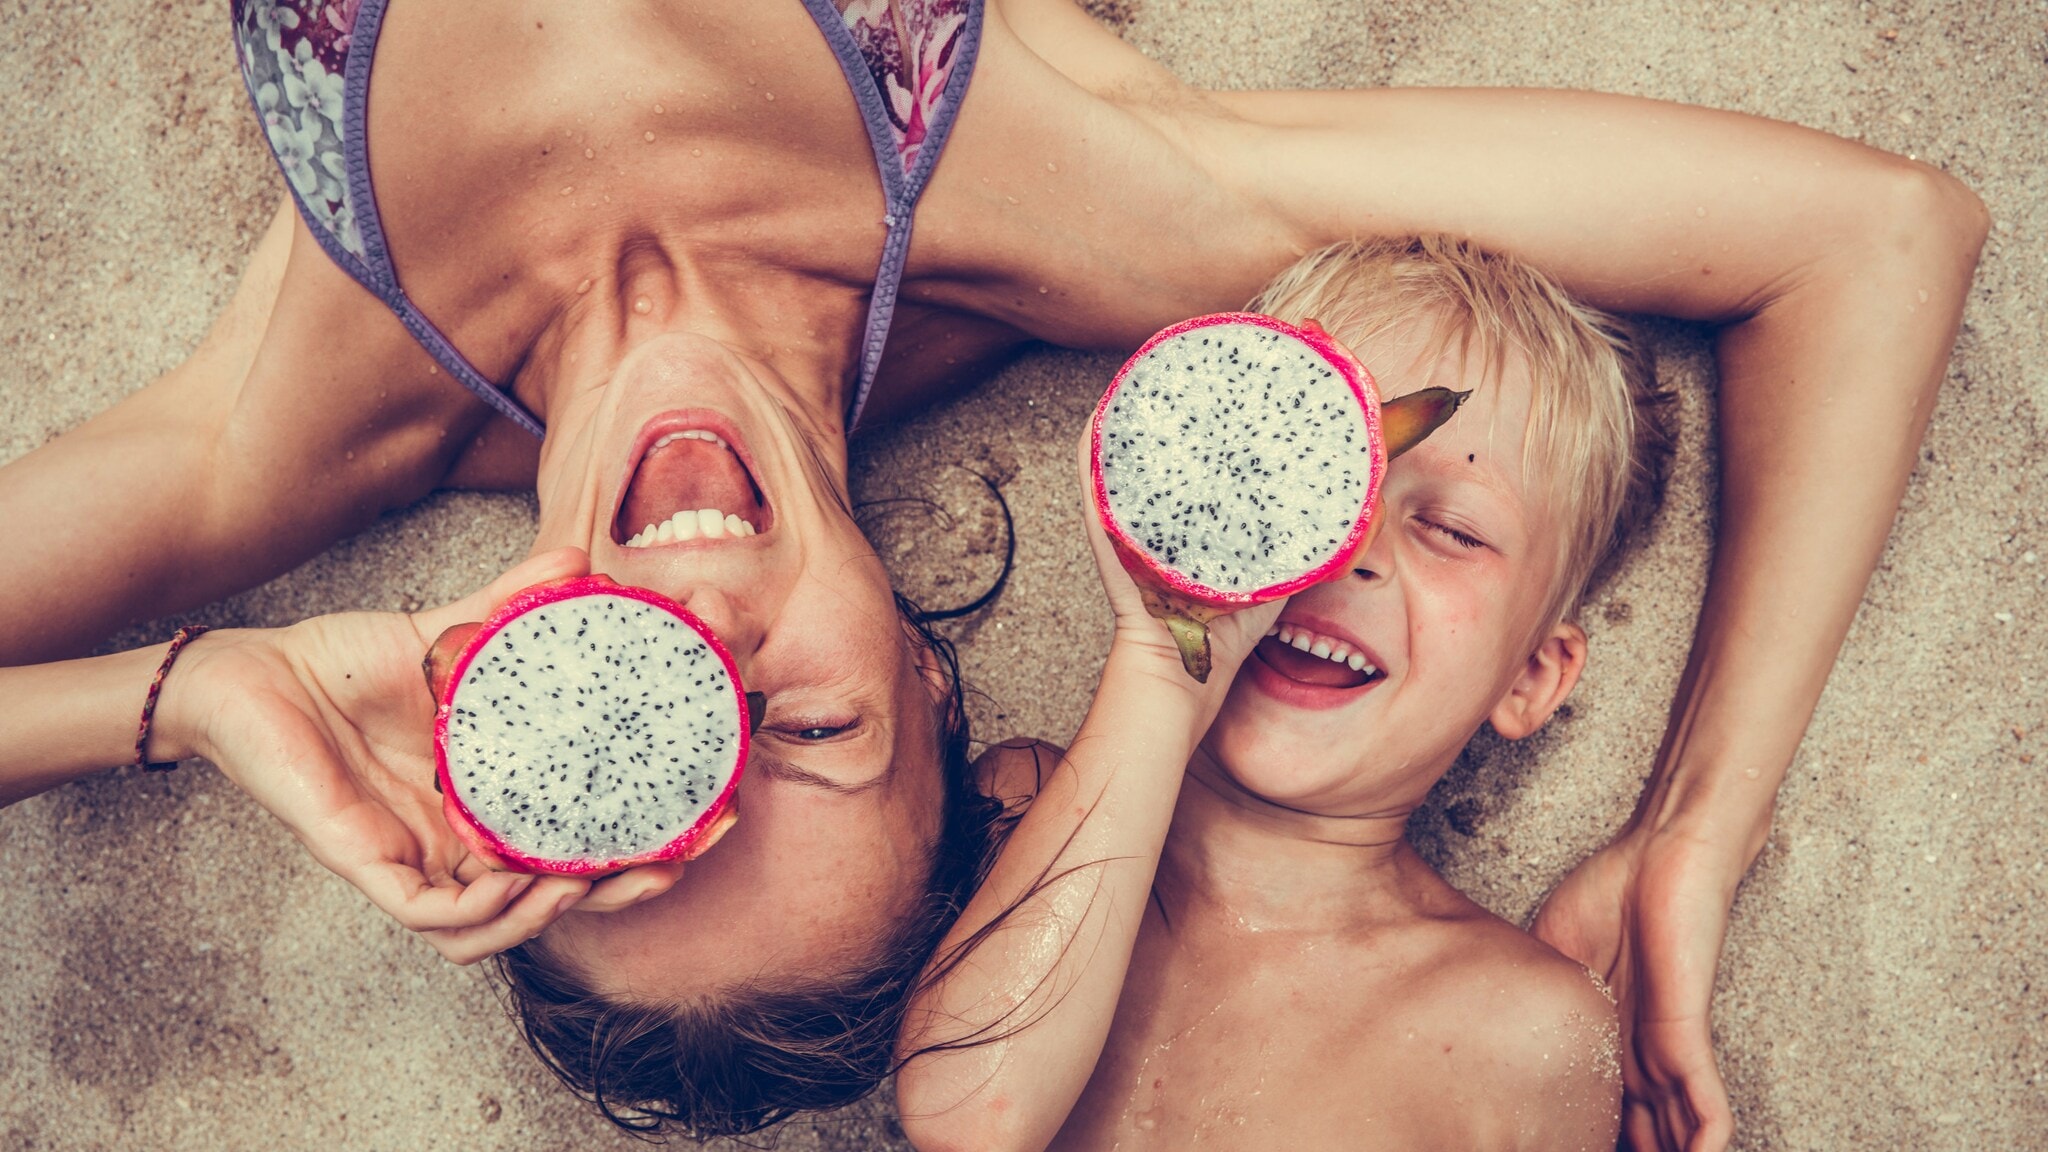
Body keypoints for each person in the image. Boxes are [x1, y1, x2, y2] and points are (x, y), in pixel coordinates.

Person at [0, 0, 1987, 1144]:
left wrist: (200, 701)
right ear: (931, 675)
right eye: (811, 721)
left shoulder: (292, 425)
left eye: (637, 742)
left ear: (499, 718)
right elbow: (1870, 238)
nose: (699, 631)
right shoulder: (1099, 216)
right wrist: (1693, 834)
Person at [896, 235, 1667, 1150]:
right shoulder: (1025, 802)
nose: (1351, 545)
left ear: (1531, 679)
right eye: (1299, 474)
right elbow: (971, 1113)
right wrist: (1162, 660)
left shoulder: (1528, 1024)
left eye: (1454, 530)